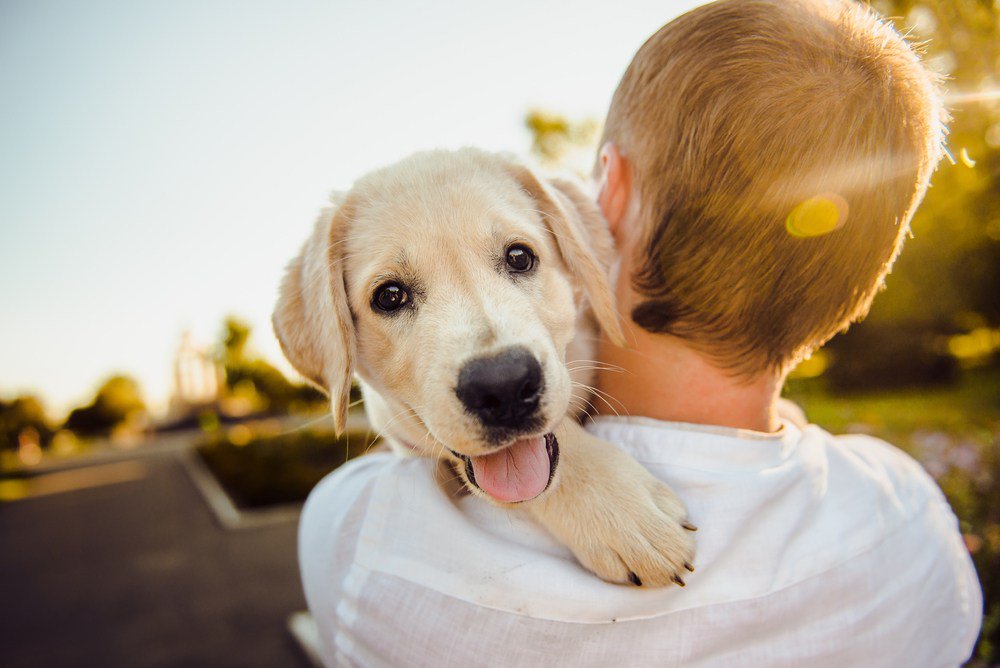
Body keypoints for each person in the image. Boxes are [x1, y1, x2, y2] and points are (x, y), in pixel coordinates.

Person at [298, 0, 983, 665]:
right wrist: (569, 470)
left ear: (607, 199)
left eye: (517, 259)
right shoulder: (912, 518)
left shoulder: (362, 540)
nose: (494, 359)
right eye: (393, 296)